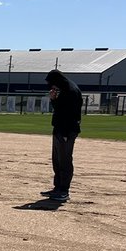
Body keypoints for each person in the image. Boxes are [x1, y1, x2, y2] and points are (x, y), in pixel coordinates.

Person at [44, 68, 83, 202]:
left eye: (52, 83)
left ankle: (64, 190)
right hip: (59, 129)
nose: (51, 86)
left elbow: (70, 114)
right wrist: (54, 99)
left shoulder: (70, 91)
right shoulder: (65, 89)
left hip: (66, 130)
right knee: (57, 160)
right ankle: (58, 187)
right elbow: (60, 109)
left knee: (65, 160)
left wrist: (66, 133)